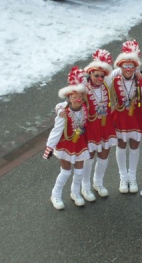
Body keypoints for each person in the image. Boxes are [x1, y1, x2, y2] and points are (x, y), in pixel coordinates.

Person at [44, 67, 90, 210]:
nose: (78, 99)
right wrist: (49, 147)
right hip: (66, 145)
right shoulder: (64, 111)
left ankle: (75, 193)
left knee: (80, 171)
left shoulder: (84, 108)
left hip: (80, 143)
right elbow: (57, 130)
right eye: (74, 96)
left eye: (80, 96)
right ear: (69, 97)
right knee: (65, 171)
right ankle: (55, 194)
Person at [81, 49, 117, 201]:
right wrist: (59, 110)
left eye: (102, 75)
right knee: (89, 156)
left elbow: (121, 72)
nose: (100, 78)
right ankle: (85, 186)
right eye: (96, 75)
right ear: (90, 74)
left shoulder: (107, 85)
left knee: (104, 154)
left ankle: (98, 182)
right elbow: (67, 102)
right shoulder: (83, 89)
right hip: (91, 128)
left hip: (105, 125)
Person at [111, 40, 142, 193]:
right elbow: (92, 84)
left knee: (135, 146)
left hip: (136, 118)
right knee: (121, 145)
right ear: (120, 67)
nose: (129, 69)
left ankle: (133, 176)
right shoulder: (114, 79)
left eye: (132, 66)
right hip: (120, 118)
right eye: (125, 66)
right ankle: (122, 177)